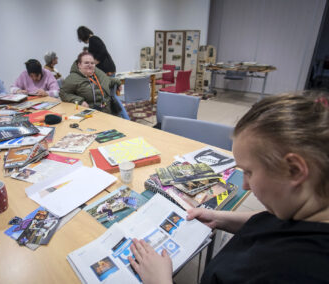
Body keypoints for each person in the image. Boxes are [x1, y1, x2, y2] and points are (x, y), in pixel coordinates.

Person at [129, 92, 329, 283]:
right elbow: (273, 221)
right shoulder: (309, 206)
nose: (244, 185)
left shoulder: (290, 272)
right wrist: (219, 218)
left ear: (294, 170)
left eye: (249, 172)